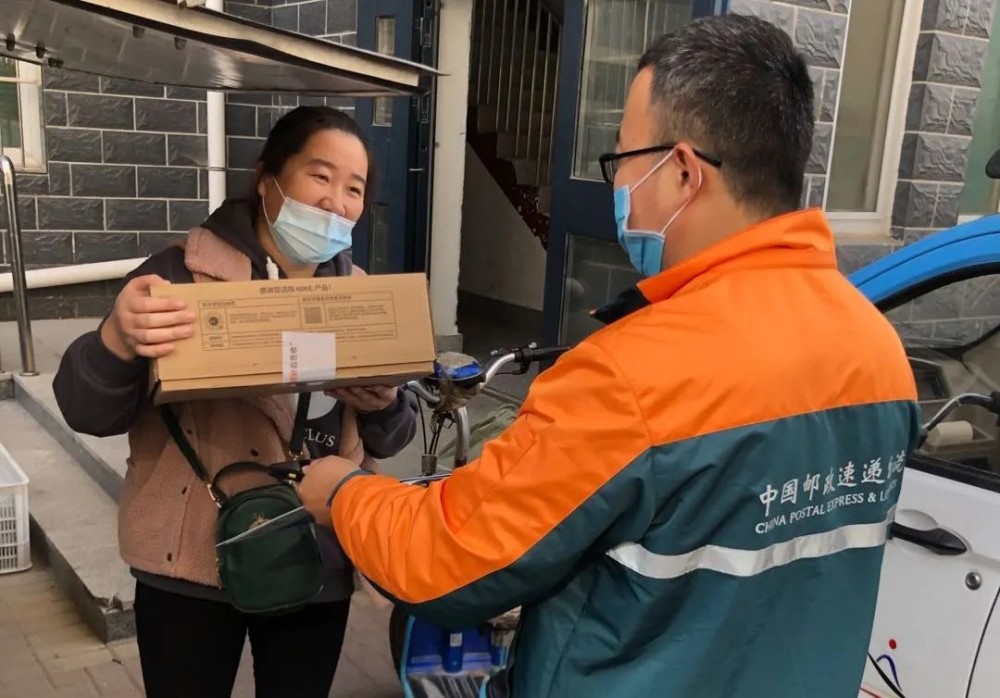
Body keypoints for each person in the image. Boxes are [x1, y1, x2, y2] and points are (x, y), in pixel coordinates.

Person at [299, 14, 923, 698]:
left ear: (682, 172)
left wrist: (343, 492)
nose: (617, 186)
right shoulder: (877, 350)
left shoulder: (634, 377)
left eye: (623, 159)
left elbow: (444, 561)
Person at [52, 106, 418, 698]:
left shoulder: (362, 299)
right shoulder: (178, 278)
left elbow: (390, 435)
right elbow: (86, 411)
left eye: (354, 189)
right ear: (267, 179)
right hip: (189, 557)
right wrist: (116, 339)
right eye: (319, 176)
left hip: (314, 553)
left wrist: (382, 404)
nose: (335, 203)